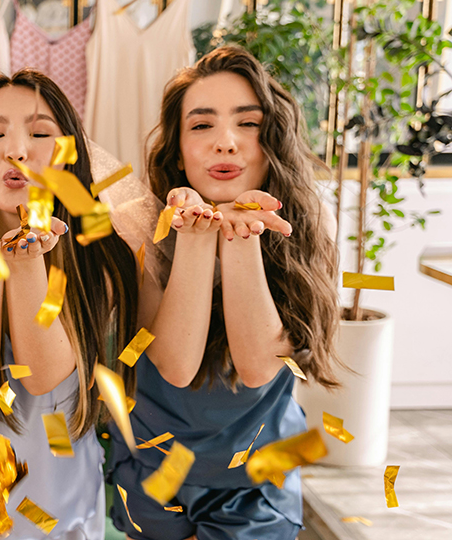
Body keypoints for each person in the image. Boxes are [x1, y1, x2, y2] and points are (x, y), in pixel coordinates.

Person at [106, 46, 341, 540]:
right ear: (176, 150)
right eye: (201, 125)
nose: (226, 143)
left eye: (248, 123)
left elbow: (258, 367)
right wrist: (193, 235)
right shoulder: (140, 225)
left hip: (258, 478)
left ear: (272, 137)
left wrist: (243, 233)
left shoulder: (311, 220)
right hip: (156, 471)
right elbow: (174, 363)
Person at [0, 69, 140, 539]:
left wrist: (27, 261)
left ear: (68, 155)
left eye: (39, 133)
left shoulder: (103, 250)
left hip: (59, 504)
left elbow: (42, 374)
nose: (17, 150)